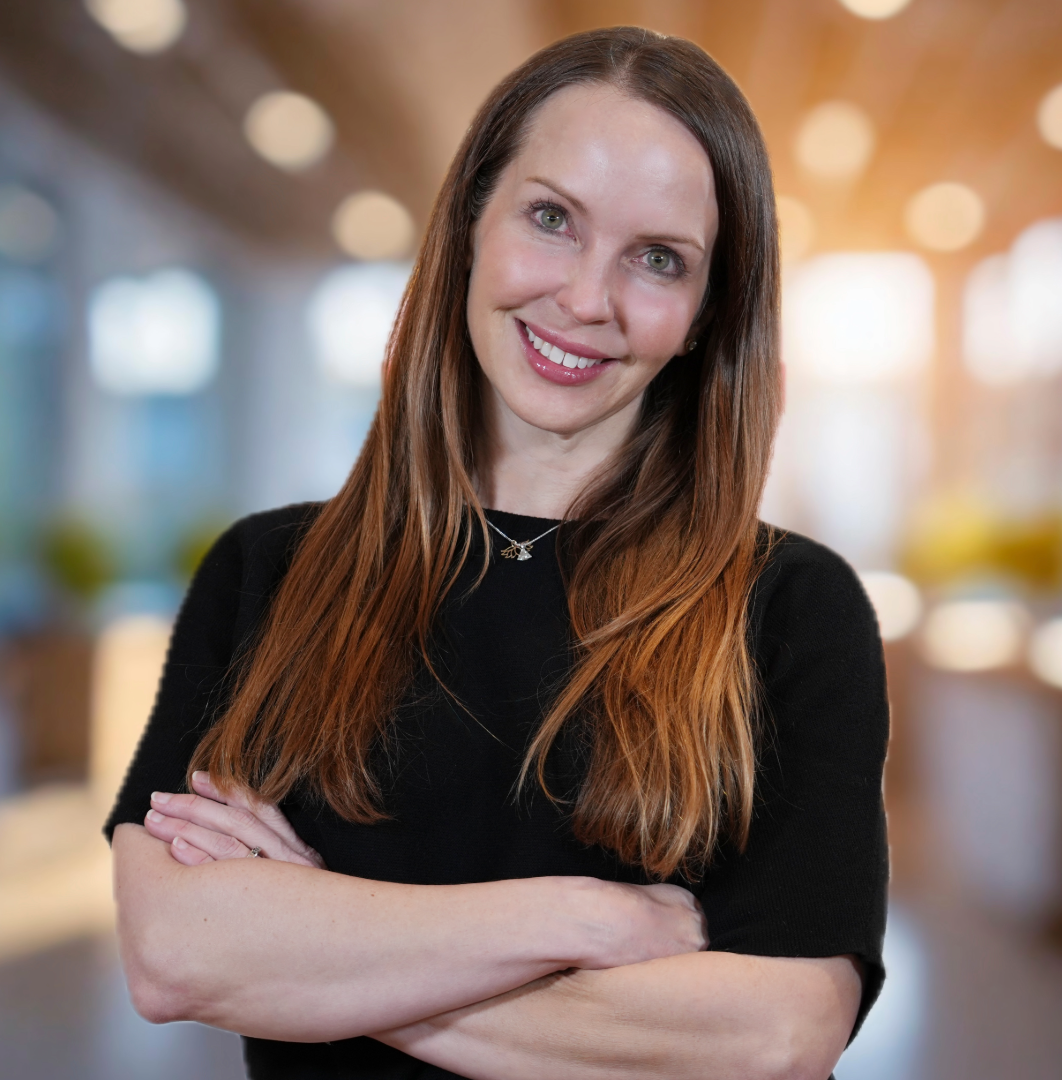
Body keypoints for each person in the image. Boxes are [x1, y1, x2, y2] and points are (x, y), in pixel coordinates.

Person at [107, 26, 889, 1080]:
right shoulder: (266, 574)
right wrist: (586, 920)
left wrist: (306, 948)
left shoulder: (792, 609)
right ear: (472, 220)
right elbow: (173, 957)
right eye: (552, 219)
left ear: (706, 316)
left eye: (659, 259)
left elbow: (778, 1037)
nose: (585, 300)